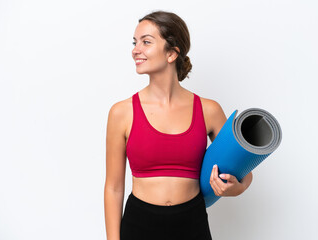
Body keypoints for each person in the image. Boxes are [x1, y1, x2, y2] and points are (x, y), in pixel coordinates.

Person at [104, 10, 253, 240]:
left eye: (146, 42)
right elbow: (113, 188)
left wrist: (237, 188)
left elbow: (244, 169)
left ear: (172, 53)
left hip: (191, 224)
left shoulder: (208, 110)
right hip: (139, 224)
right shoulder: (121, 112)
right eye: (135, 42)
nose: (136, 49)